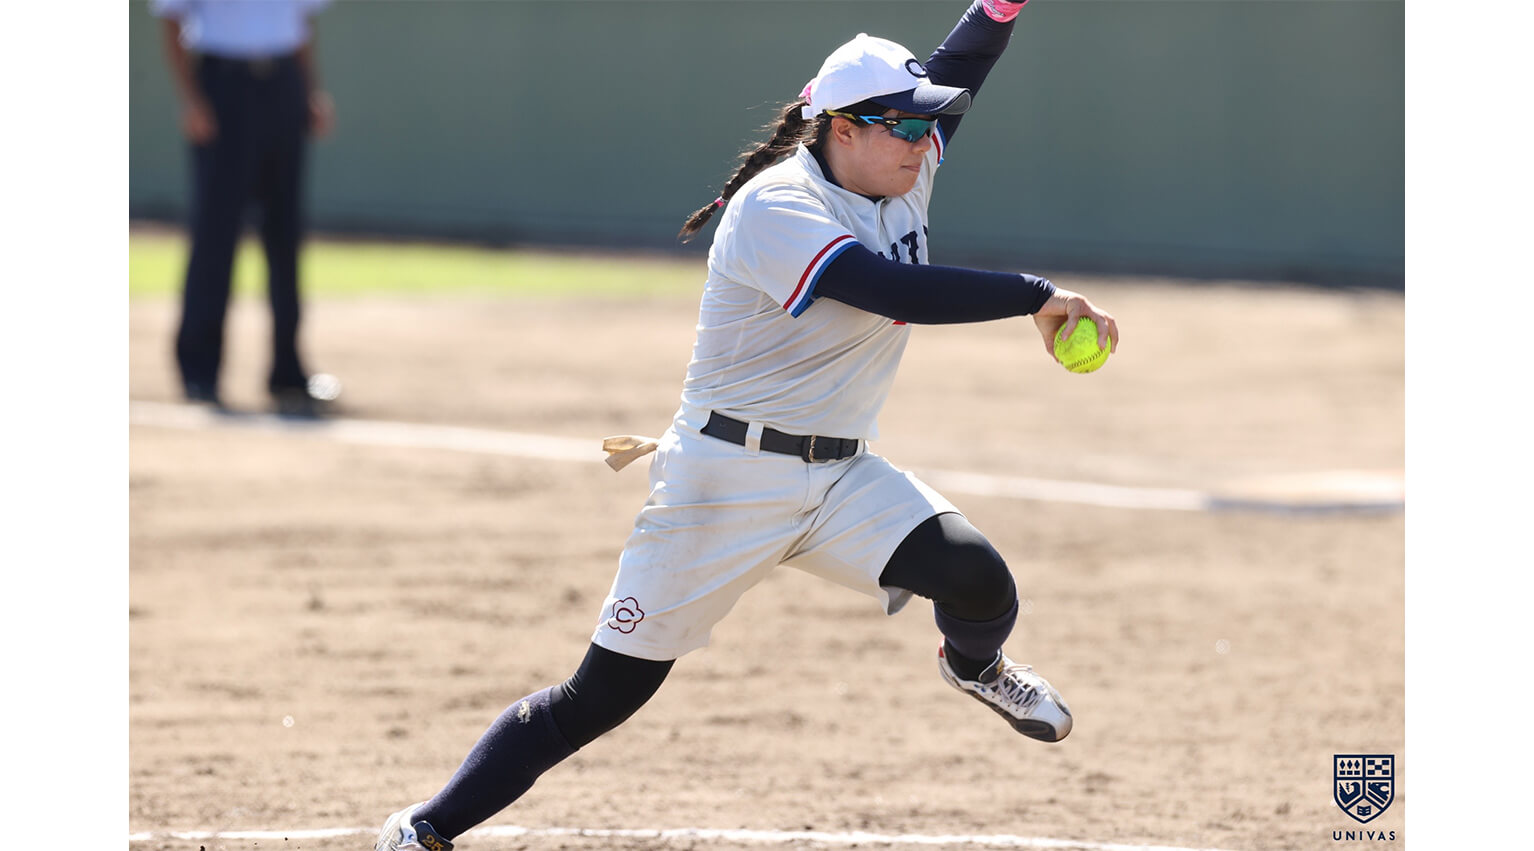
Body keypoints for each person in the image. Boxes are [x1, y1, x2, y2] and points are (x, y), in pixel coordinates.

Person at [375, 1, 1118, 848]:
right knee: (597, 700)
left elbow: (962, 65)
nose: (924, 139)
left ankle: (972, 665)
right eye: (903, 125)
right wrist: (1034, 294)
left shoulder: (896, 164)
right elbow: (894, 291)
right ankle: (422, 828)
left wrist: (998, 9)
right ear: (839, 128)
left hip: (840, 476)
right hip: (721, 483)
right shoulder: (776, 208)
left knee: (980, 580)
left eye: (929, 125)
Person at [152, 0, 341, 417]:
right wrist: (192, 99)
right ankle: (200, 370)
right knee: (215, 235)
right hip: (224, 85)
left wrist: (310, 92)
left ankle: (288, 371)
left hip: (283, 84)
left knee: (285, 235)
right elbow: (171, 19)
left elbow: (302, 23)